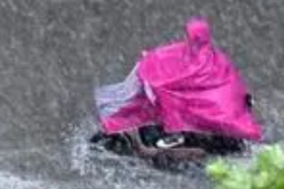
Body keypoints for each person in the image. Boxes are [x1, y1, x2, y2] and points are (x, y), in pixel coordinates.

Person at [94, 17, 262, 158]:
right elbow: (230, 86)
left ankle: (150, 149)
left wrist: (154, 67)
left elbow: (172, 74)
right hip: (217, 122)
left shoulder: (194, 62)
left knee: (187, 139)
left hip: (203, 122)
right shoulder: (217, 61)